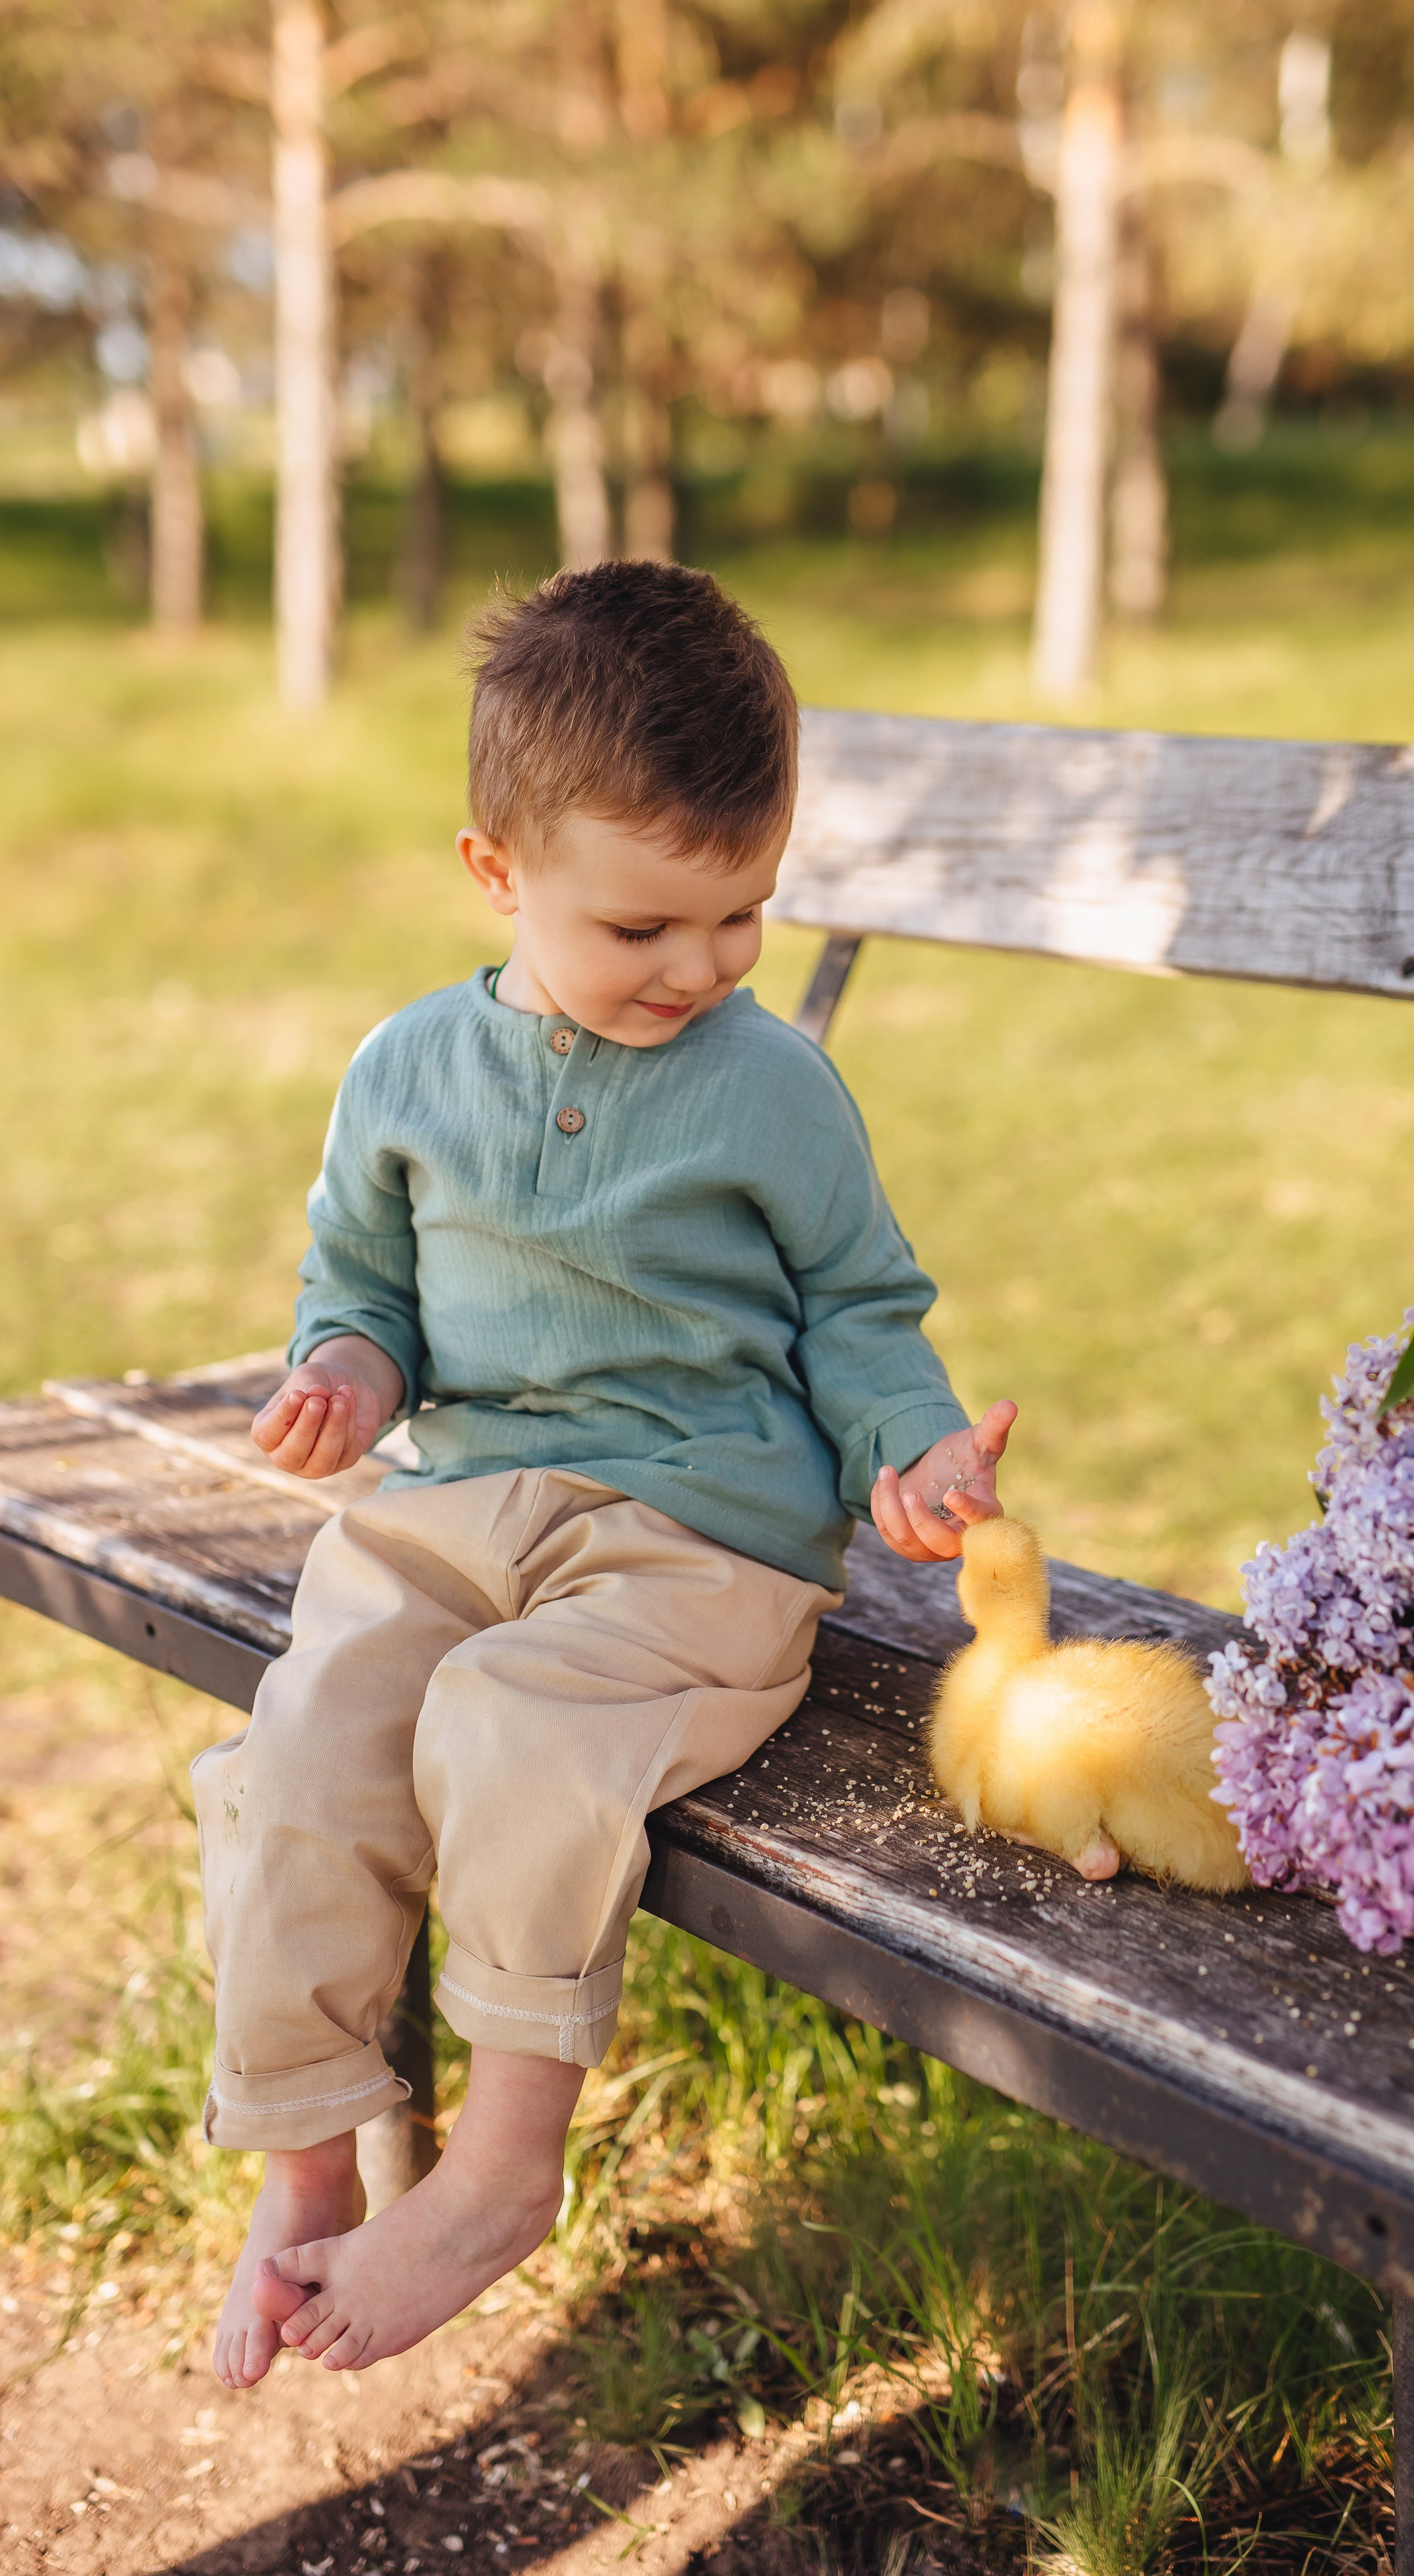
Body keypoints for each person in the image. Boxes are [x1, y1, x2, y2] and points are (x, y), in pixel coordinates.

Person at [198, 561, 1016, 2388]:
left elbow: (865, 1314)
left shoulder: (776, 1090)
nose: (709, 966)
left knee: (512, 1726)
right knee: (308, 1738)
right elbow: (364, 1287)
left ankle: (499, 2168)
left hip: (696, 1543)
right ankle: (310, 2156)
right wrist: (346, 1367)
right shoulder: (406, 1069)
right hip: (454, 1509)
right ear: (497, 872)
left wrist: (913, 1448)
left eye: (746, 914)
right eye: (649, 924)